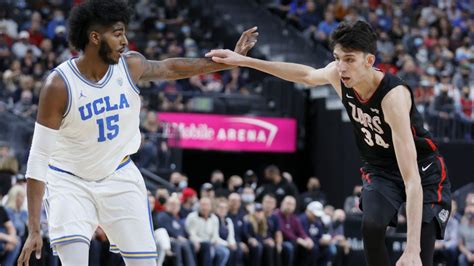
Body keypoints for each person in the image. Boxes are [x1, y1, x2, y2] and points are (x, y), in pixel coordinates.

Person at [19, 0, 258, 265]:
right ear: (95, 37)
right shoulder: (59, 85)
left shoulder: (129, 66)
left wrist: (228, 63)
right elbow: (38, 159)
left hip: (119, 175)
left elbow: (171, 67)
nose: (125, 41)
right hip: (69, 181)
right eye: (118, 33)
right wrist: (34, 228)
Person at [206, 19, 452, 266]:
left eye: (349, 59)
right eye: (337, 58)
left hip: (422, 172)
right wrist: (244, 61)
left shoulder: (393, 98)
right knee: (371, 226)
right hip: (381, 169)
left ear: (369, 61)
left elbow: (411, 180)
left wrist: (411, 250)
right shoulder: (337, 74)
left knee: (421, 256)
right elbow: (306, 74)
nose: (341, 67)